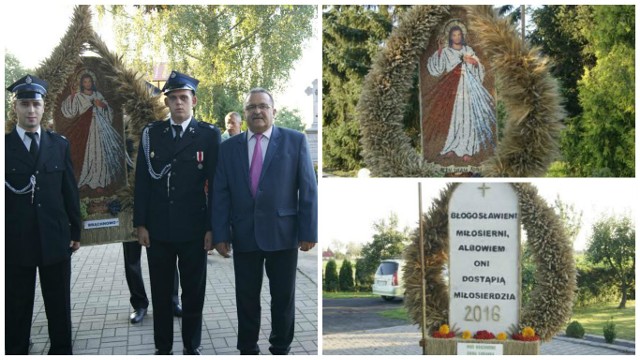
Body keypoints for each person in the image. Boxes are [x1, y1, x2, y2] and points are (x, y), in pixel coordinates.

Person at [212, 88, 318, 355]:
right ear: (245, 113)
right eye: (251, 107)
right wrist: (220, 234)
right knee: (246, 299)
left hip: (283, 234)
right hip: (244, 234)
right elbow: (221, 193)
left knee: (283, 299)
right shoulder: (228, 148)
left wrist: (309, 230)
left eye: (262, 106)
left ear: (274, 111)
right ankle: (247, 348)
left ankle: (280, 347)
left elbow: (308, 189)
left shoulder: (295, 141)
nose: (257, 111)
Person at [133, 70, 220, 355]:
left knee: (194, 293)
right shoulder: (152, 134)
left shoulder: (208, 135)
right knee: (160, 292)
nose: (179, 103)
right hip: (158, 230)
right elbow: (143, 181)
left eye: (184, 98)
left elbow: (215, 185)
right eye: (173, 99)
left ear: (194, 100)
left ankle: (191, 346)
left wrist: (212, 228)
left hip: (195, 230)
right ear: (167, 103)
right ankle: (163, 347)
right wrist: (141, 223)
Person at [5, 74, 81, 354]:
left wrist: (75, 230)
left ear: (43, 106)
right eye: (25, 104)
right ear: (16, 108)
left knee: (59, 303)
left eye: (36, 104)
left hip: (54, 238)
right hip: (15, 242)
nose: (31, 110)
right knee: (16, 306)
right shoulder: (4, 148)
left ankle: (61, 351)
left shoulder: (58, 144)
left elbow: (69, 191)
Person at [426, 24, 496, 162]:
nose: (457, 37)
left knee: (468, 118)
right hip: (452, 90)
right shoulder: (446, 51)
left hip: (468, 88)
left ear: (462, 36)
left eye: (459, 35)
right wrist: (439, 50)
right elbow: (437, 68)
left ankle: (467, 150)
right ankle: (451, 147)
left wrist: (472, 62)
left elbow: (478, 66)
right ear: (450, 37)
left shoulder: (468, 49)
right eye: (454, 35)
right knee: (454, 117)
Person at [61, 71, 124, 190]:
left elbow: (107, 109)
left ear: (92, 82)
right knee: (87, 153)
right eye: (85, 82)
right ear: (82, 84)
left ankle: (100, 182)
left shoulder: (98, 95)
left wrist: (102, 105)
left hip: (99, 129)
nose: (87, 84)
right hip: (84, 130)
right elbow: (69, 111)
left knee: (99, 153)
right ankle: (86, 180)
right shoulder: (79, 96)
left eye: (89, 81)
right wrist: (73, 96)